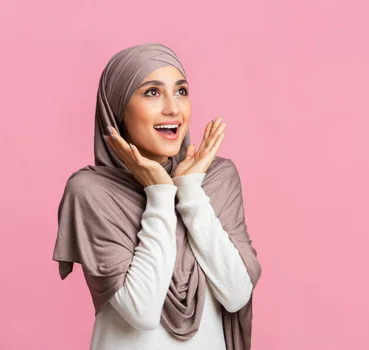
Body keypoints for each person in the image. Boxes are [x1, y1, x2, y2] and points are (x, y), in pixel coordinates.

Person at [52, 42, 262, 350]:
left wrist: (189, 189)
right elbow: (141, 310)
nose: (173, 108)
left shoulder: (215, 179)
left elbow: (236, 293)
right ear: (117, 108)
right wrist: (160, 193)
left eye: (181, 91)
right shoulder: (91, 191)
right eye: (152, 92)